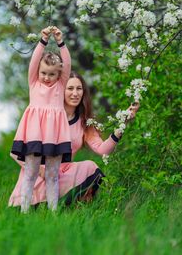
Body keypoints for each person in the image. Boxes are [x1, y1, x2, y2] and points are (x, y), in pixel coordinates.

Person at [9, 71, 139, 207]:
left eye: (79, 88)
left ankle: (69, 209)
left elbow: (103, 150)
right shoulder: (46, 115)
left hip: (62, 176)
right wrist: (39, 169)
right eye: (70, 88)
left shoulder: (84, 122)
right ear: (60, 90)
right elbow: (16, 153)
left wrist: (123, 124)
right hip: (35, 176)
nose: (75, 93)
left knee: (90, 166)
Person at [10, 26, 71, 212]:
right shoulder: (34, 82)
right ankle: (24, 211)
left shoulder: (61, 85)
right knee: (30, 172)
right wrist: (43, 39)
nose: (46, 77)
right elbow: (35, 61)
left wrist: (60, 41)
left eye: (51, 74)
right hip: (34, 133)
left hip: (55, 134)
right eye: (44, 73)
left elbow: (67, 63)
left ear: (59, 74)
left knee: (53, 175)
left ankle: (53, 213)